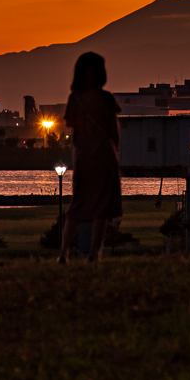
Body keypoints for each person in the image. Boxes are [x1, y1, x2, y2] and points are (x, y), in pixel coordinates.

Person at [58, 52, 123, 263]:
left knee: (78, 205)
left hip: (83, 156)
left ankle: (63, 253)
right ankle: (95, 253)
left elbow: (73, 130)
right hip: (105, 155)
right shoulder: (106, 98)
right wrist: (116, 152)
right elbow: (113, 131)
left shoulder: (74, 98)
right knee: (103, 207)